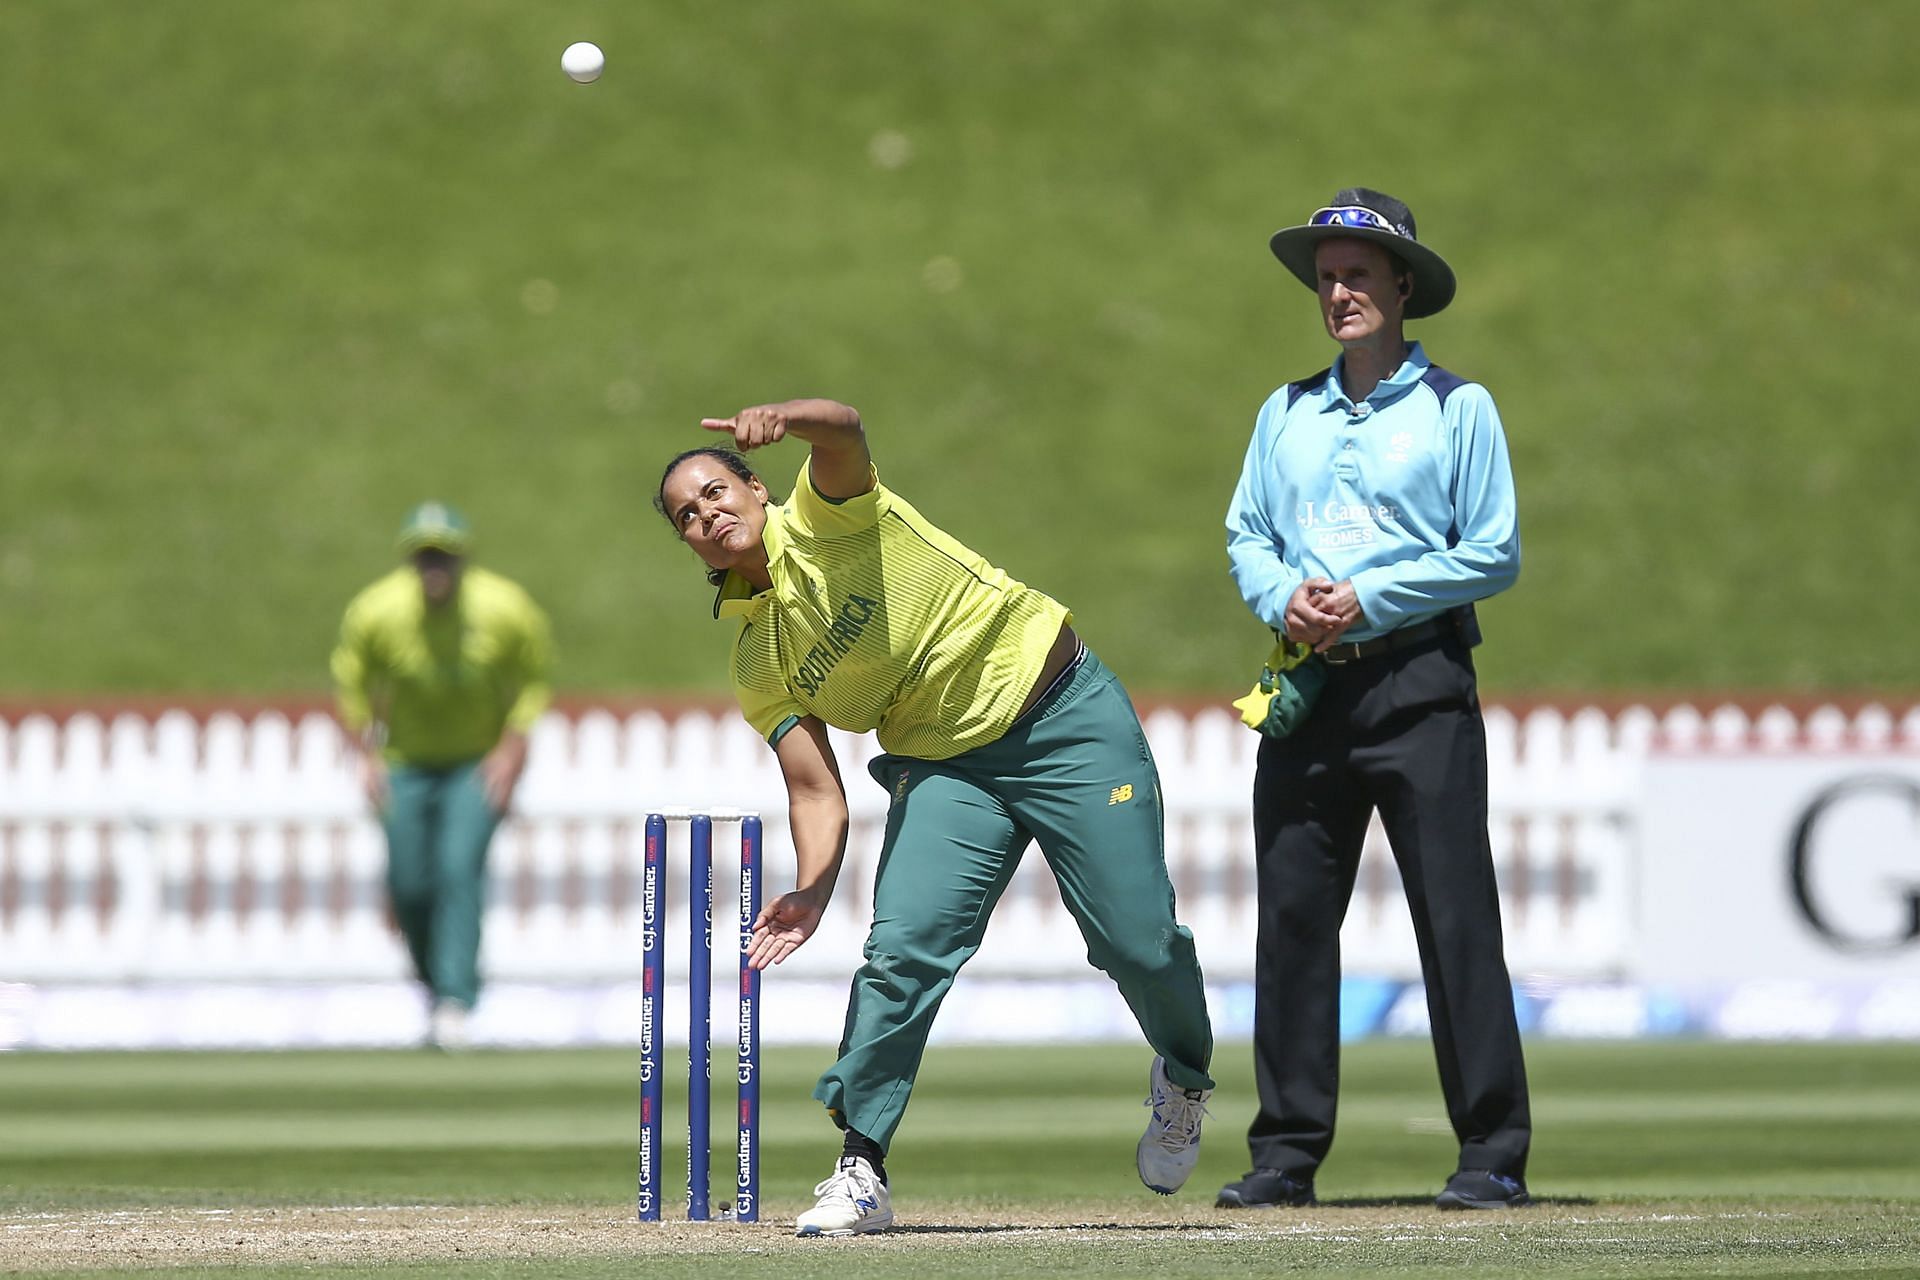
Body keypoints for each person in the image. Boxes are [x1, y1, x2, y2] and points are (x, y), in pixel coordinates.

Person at [655, 400, 1216, 1237]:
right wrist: (811, 891)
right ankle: (861, 1168)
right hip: (949, 768)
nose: (706, 515)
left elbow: (842, 427)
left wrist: (788, 414)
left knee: (1138, 941)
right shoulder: (757, 661)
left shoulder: (824, 515)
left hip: (1065, 719)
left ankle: (1185, 1075)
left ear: (757, 487)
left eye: (714, 492)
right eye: (687, 518)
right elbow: (814, 790)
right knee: (901, 953)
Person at [1218, 189, 1532, 1211]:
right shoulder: (1286, 410)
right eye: (1327, 277)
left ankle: (1492, 1148)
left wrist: (1369, 595)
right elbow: (1246, 536)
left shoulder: (1458, 405)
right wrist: (1286, 595)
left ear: (1404, 285)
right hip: (1309, 683)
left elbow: (1492, 550)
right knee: (1295, 919)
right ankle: (1285, 1151)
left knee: (1455, 918)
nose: (1340, 292)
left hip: (1420, 679)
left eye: (1359, 274)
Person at [331, 502, 553, 1051]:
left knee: (457, 869)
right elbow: (351, 680)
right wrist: (365, 754)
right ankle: (434, 986)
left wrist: (511, 748)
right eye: (425, 558)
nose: (435, 570)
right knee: (408, 881)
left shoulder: (504, 607)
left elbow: (533, 678)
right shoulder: (376, 610)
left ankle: (456, 997)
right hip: (405, 763)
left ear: (463, 559)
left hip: (474, 763)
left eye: (445, 558)